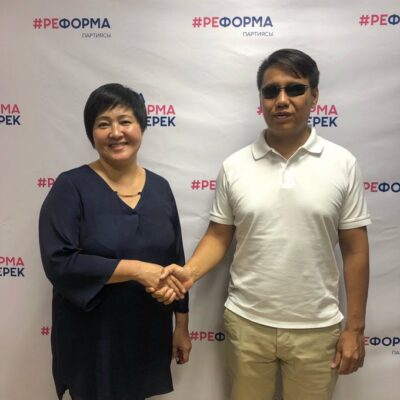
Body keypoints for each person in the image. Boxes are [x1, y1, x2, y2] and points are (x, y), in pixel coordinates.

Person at [150, 49, 370, 400]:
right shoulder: (235, 166)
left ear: (314, 95)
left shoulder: (343, 164)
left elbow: (356, 251)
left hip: (317, 328)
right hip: (247, 325)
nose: (281, 100)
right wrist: (189, 273)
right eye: (271, 91)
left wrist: (355, 328)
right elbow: (219, 235)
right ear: (261, 100)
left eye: (294, 89)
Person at [39, 83, 191, 400]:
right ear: (91, 133)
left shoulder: (160, 188)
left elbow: (175, 260)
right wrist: (136, 270)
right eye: (103, 124)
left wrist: (181, 325)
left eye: (125, 121)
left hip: (147, 332)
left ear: (141, 127)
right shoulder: (70, 187)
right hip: (92, 339)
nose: (116, 132)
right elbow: (60, 262)